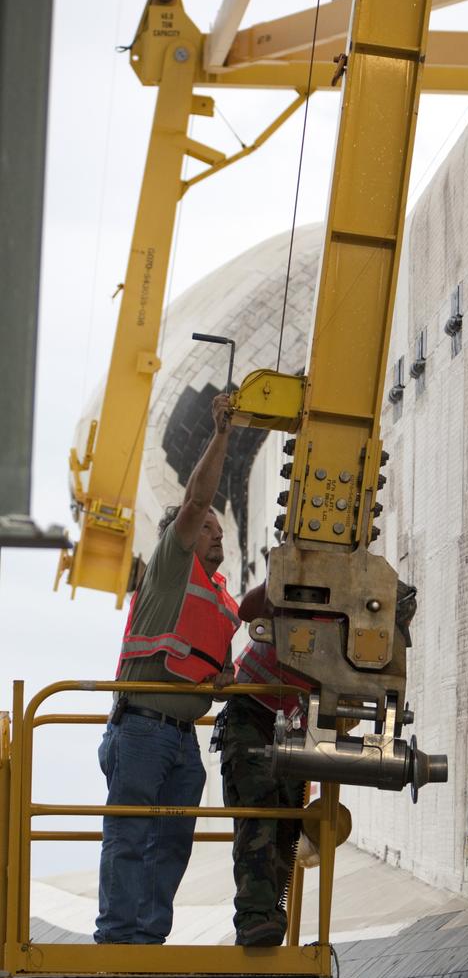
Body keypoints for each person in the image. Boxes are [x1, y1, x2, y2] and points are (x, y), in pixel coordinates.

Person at [94, 393, 240, 944]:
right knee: (130, 833)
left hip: (181, 741)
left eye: (218, 529)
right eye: (207, 527)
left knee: (173, 840)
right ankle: (117, 937)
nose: (216, 531)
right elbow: (196, 501)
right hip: (142, 730)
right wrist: (222, 434)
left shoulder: (222, 601)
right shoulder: (171, 568)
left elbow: (212, 672)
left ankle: (146, 938)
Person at [220, 582, 309, 947]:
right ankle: (256, 918)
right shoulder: (295, 574)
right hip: (252, 709)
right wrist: (283, 572)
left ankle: (269, 916)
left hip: (292, 722)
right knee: (258, 812)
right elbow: (247, 610)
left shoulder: (358, 582)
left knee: (288, 819)